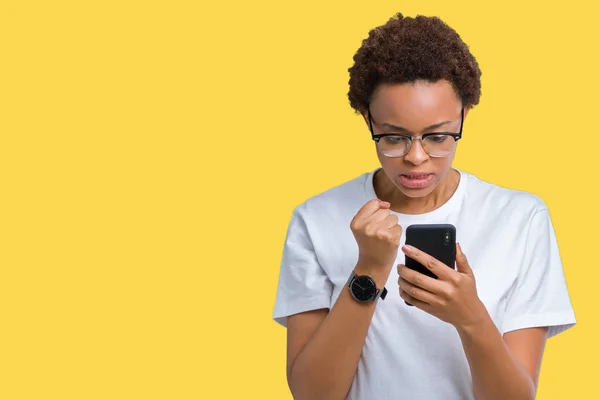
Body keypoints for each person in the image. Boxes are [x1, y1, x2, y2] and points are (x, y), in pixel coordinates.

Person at [272, 12, 576, 400]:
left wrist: (470, 317)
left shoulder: (520, 220)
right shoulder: (316, 220)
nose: (416, 157)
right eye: (394, 137)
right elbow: (312, 395)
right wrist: (368, 270)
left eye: (437, 136)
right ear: (368, 121)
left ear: (464, 116)